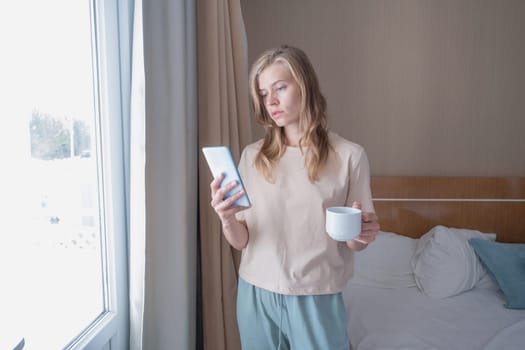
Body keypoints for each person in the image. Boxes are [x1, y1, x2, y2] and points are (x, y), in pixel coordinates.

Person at [209, 45, 380, 350]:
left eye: (280, 88)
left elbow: (353, 241)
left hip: (316, 295)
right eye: (263, 93)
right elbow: (241, 240)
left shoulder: (349, 156)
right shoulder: (252, 156)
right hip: (256, 295)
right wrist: (226, 218)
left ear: (305, 86)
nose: (270, 101)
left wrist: (364, 233)